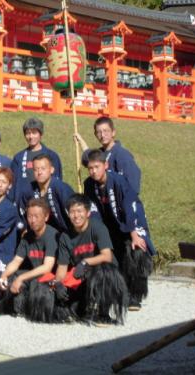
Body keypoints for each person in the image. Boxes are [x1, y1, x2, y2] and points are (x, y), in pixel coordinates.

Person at [84, 149, 155, 311]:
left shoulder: (119, 181)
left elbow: (129, 208)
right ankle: (113, 292)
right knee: (106, 256)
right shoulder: (89, 184)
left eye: (97, 167)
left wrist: (134, 234)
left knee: (136, 252)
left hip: (129, 225)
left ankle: (135, 295)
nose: (93, 171)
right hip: (109, 227)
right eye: (90, 168)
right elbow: (93, 210)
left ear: (106, 165)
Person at [54, 194, 128, 325]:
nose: (76, 216)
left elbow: (107, 256)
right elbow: (62, 267)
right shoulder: (65, 237)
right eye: (72, 212)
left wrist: (85, 262)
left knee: (103, 272)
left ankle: (104, 313)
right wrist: (58, 283)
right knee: (68, 305)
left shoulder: (97, 227)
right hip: (84, 277)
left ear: (88, 213)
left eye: (79, 211)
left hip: (107, 274)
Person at [0, 198, 59, 322]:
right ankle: (17, 310)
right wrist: (3, 276)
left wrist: (21, 278)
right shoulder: (27, 237)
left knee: (29, 282)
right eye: (30, 216)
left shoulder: (52, 235)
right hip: (34, 274)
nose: (32, 220)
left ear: (46, 217)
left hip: (50, 277)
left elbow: (47, 268)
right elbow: (16, 262)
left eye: (36, 216)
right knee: (10, 277)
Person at [76, 116, 141, 195]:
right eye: (99, 132)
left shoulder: (122, 155)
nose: (103, 135)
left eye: (106, 131)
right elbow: (89, 155)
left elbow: (133, 187)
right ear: (95, 134)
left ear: (113, 132)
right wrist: (80, 140)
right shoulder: (100, 153)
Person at [19, 154, 74, 233]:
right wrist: (24, 230)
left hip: (66, 233)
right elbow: (21, 212)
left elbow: (75, 212)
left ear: (51, 170)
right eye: (36, 169)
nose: (39, 172)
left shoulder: (61, 188)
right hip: (41, 236)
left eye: (43, 168)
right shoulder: (29, 189)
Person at [11, 118, 62, 201]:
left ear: (40, 134)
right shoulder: (18, 157)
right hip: (24, 200)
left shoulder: (52, 156)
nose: (31, 137)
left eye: (34, 133)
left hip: (45, 200)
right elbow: (13, 183)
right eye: (28, 133)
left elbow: (57, 180)